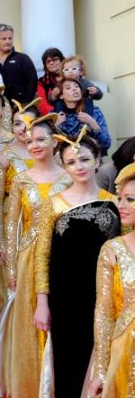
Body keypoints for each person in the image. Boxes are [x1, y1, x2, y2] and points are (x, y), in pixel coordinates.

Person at [0, 115, 70, 397]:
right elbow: (11, 224)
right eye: (30, 140)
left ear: (55, 142)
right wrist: (9, 263)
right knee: (31, 319)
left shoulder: (70, 178)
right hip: (29, 256)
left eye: (41, 139)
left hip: (65, 257)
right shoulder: (20, 179)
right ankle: (30, 382)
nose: (34, 145)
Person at [33, 131, 120, 397]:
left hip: (104, 297)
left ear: (97, 161)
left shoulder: (115, 204)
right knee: (68, 362)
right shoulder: (53, 204)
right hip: (65, 299)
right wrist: (42, 302)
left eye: (84, 159)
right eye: (71, 162)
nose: (78, 166)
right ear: (64, 166)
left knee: (102, 359)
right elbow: (42, 255)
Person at [0, 98, 37, 345]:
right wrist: (1, 241)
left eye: (29, 124)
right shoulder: (4, 155)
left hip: (37, 224)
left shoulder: (48, 153)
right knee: (10, 284)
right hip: (11, 224)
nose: (24, 130)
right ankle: (6, 343)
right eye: (18, 124)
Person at [88, 163, 135, 397]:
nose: (121, 206)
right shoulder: (113, 249)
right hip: (123, 354)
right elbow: (104, 314)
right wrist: (100, 371)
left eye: (130, 199)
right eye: (120, 198)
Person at [54, 77, 110, 152]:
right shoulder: (54, 115)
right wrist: (56, 125)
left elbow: (106, 144)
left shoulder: (94, 111)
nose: (74, 89)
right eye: (68, 88)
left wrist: (92, 123)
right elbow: (48, 145)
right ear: (61, 95)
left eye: (77, 86)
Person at [0, 23, 38, 105]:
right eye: (4, 39)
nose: (8, 41)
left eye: (10, 38)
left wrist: (24, 104)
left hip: (21, 107)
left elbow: (32, 82)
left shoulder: (23, 58)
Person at [36, 47, 64, 114]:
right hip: (56, 115)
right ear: (45, 65)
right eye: (48, 61)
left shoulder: (71, 74)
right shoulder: (42, 82)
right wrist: (55, 116)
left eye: (54, 59)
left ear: (62, 61)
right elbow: (42, 104)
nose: (51, 63)